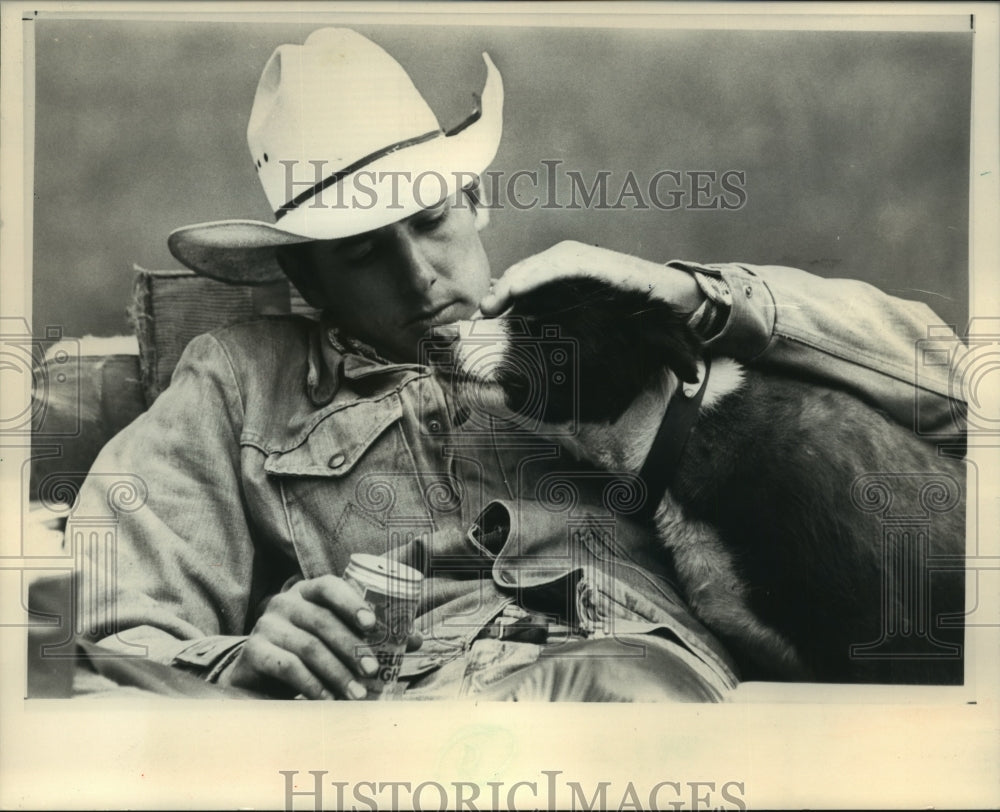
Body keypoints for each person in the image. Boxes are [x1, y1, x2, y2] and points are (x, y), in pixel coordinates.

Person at [68, 28, 965, 701]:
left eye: (430, 221)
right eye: (363, 252)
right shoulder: (237, 381)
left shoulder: (597, 323)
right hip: (402, 703)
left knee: (606, 700)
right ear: (304, 277)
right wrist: (239, 655)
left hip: (623, 676)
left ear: (475, 199)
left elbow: (960, 393)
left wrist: (695, 298)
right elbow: (107, 627)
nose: (417, 277)